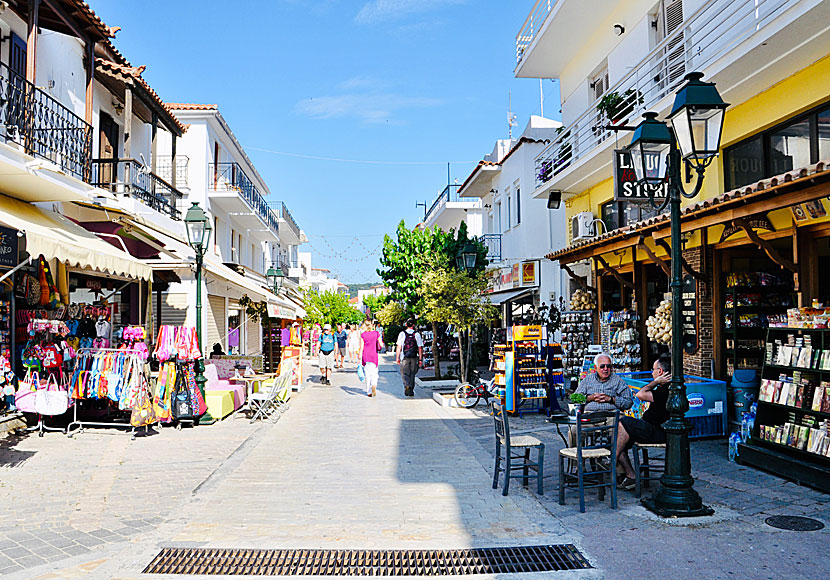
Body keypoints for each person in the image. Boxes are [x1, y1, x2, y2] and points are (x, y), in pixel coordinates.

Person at [616, 354, 672, 491]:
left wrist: (655, 382)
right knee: (618, 433)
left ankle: (612, 457)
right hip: (648, 426)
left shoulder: (665, 390)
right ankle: (631, 475)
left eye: (653, 369)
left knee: (623, 421)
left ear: (660, 372)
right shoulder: (661, 388)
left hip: (655, 431)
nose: (652, 372)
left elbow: (640, 395)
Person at [569, 353, 634, 447]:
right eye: (602, 366)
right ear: (595, 368)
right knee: (573, 431)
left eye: (608, 366)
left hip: (612, 418)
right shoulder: (588, 380)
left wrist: (611, 399)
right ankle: (577, 460)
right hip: (591, 418)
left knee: (622, 431)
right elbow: (574, 399)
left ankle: (615, 458)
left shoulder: (618, 381)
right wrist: (590, 398)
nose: (605, 369)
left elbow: (628, 402)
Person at [395, 319, 423, 397]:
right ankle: (410, 389)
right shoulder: (417, 334)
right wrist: (420, 359)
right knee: (412, 373)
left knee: (404, 373)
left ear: (406, 325)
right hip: (414, 357)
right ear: (413, 325)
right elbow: (420, 347)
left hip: (404, 357)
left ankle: (406, 385)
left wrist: (397, 357)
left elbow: (399, 346)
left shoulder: (402, 334)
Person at [358, 320, 384, 397]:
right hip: (374, 355)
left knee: (368, 374)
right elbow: (381, 345)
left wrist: (359, 356)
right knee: (374, 373)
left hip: (366, 356)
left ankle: (369, 391)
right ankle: (374, 384)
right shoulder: (376, 333)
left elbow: (361, 347)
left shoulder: (363, 335)